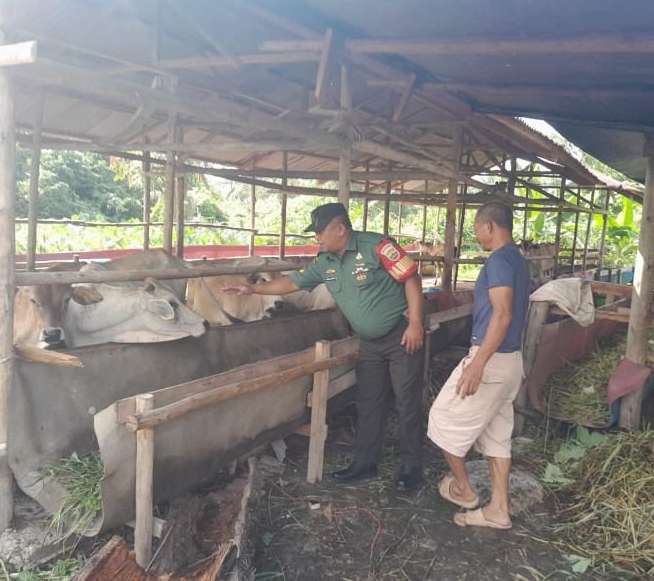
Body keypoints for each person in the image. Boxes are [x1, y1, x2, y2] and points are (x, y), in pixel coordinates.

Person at [221, 203, 426, 492]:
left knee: (406, 402)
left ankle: (411, 467)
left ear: (340, 229)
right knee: (368, 401)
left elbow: (411, 278)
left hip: (401, 335)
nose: (316, 237)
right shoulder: (326, 261)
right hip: (370, 342)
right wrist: (253, 290)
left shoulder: (377, 247)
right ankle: (366, 463)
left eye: (320, 232)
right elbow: (291, 284)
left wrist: (415, 322)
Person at [427, 200, 530, 529]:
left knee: (440, 420)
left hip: (492, 361)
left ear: (489, 226)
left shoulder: (499, 259)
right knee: (498, 435)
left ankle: (464, 490)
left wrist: (477, 364)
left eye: (475, 229)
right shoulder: (518, 260)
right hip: (511, 361)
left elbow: (503, 314)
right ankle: (498, 509)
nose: (476, 235)